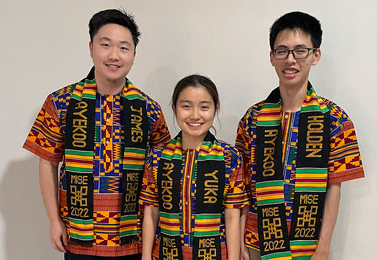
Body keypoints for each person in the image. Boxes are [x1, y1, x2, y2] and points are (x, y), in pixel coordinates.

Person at [23, 9, 170, 259]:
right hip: (80, 236)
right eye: (105, 45)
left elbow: (161, 171)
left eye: (124, 48)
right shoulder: (61, 102)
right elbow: (47, 161)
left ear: (134, 54)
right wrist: (54, 219)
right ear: (91, 48)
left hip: (134, 239)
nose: (114, 55)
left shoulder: (149, 109)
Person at [235, 11, 365, 260]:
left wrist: (324, 246)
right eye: (282, 51)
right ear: (272, 57)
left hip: (307, 246)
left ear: (315, 55)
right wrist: (239, 238)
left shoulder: (336, 119)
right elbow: (241, 186)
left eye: (300, 51)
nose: (290, 60)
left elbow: (334, 188)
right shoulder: (252, 118)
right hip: (255, 243)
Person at [140, 75, 249, 260]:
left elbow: (232, 216)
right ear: (174, 109)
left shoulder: (230, 157)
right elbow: (151, 212)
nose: (195, 115)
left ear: (215, 110)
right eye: (186, 106)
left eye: (204, 107)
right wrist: (145, 256)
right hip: (166, 254)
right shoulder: (158, 156)